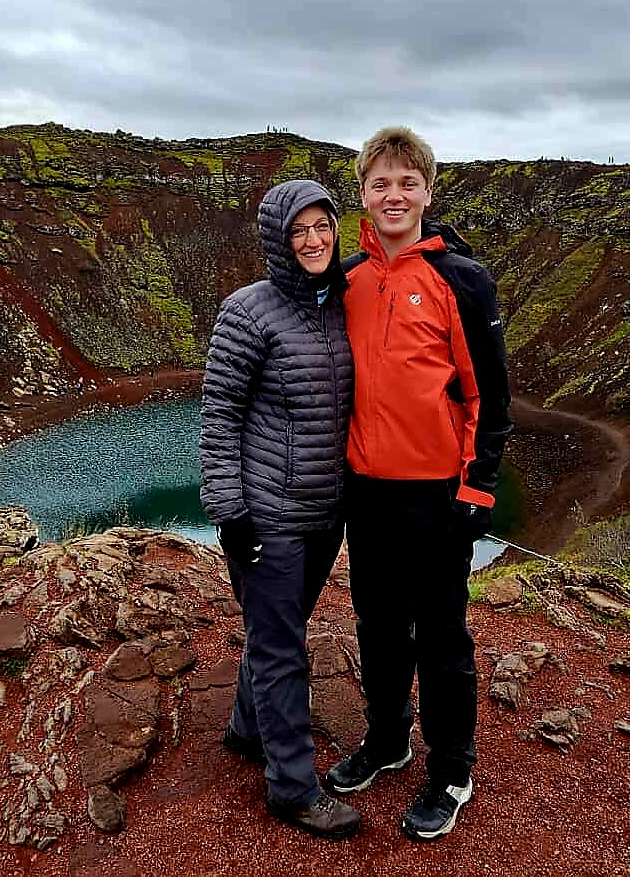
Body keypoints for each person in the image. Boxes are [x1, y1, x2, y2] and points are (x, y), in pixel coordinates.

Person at [325, 126, 513, 841]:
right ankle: (387, 740)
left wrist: (477, 488)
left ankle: (451, 771)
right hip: (366, 493)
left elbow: (488, 398)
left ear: (428, 193)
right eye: (380, 183)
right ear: (363, 197)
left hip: (437, 494)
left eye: (408, 182)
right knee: (376, 626)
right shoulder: (347, 279)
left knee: (440, 636)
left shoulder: (462, 279)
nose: (394, 194)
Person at [198, 178, 361, 838]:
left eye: (322, 226)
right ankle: (292, 788)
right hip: (267, 514)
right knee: (283, 645)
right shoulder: (249, 311)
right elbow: (219, 419)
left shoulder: (340, 304)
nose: (314, 240)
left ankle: (245, 729)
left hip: (326, 516)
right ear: (277, 238)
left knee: (275, 629)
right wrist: (230, 514)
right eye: (299, 229)